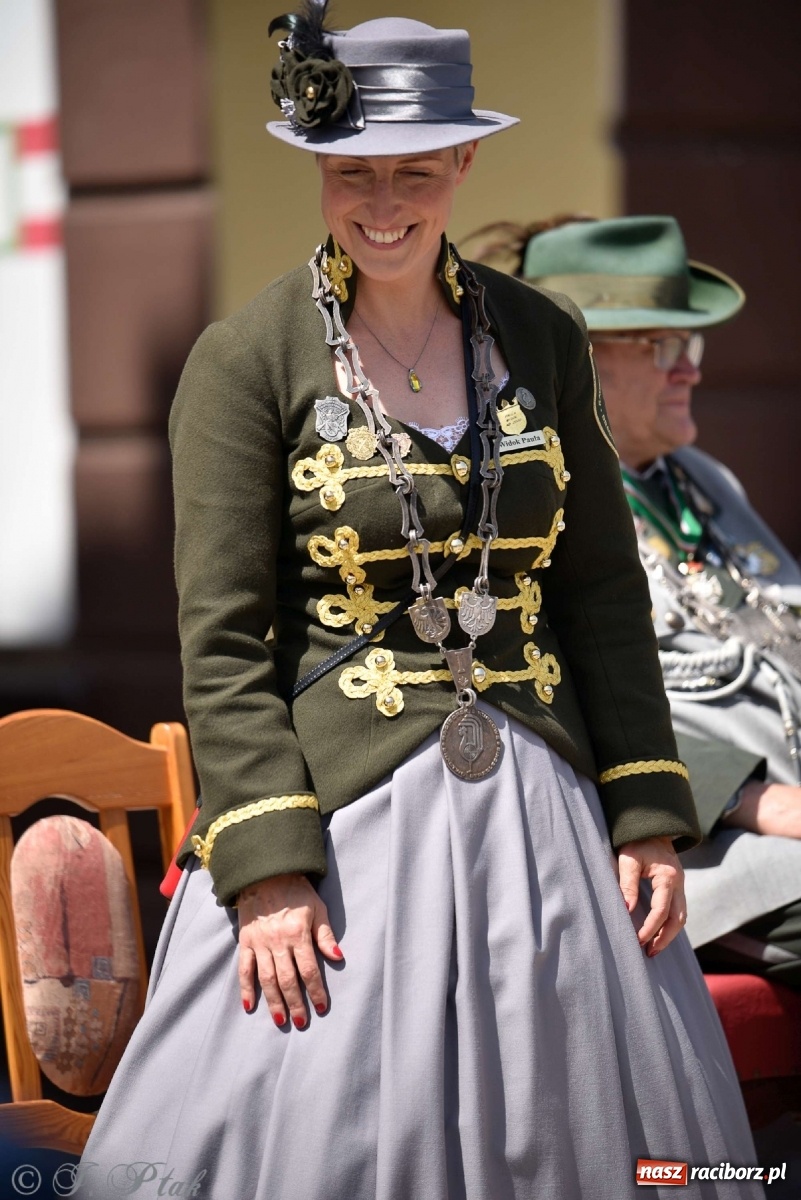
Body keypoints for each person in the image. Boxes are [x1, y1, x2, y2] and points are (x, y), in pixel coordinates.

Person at [78, 18, 761, 1200]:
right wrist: (272, 872)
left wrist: (648, 808)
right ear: (317, 171)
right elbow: (226, 640)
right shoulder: (243, 362)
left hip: (547, 802)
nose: (382, 200)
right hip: (339, 819)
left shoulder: (543, 337)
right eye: (353, 169)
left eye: (414, 168)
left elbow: (599, 589)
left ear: (464, 165)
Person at [506, 214, 801, 990]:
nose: (690, 371)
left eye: (689, 345)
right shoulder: (531, 497)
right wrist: (749, 796)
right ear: (581, 361)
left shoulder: (700, 478)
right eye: (662, 346)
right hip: (686, 840)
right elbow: (554, 689)